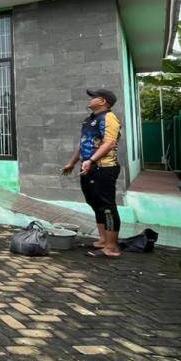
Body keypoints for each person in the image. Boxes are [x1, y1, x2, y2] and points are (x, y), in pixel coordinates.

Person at [62, 88, 122, 258]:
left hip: (104, 167)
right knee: (95, 203)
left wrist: (92, 160)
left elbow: (109, 143)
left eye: (93, 97)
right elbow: (81, 144)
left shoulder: (109, 118)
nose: (90, 100)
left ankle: (111, 248)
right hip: (88, 167)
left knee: (107, 206)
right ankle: (103, 240)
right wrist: (72, 163)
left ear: (102, 101)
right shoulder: (89, 120)